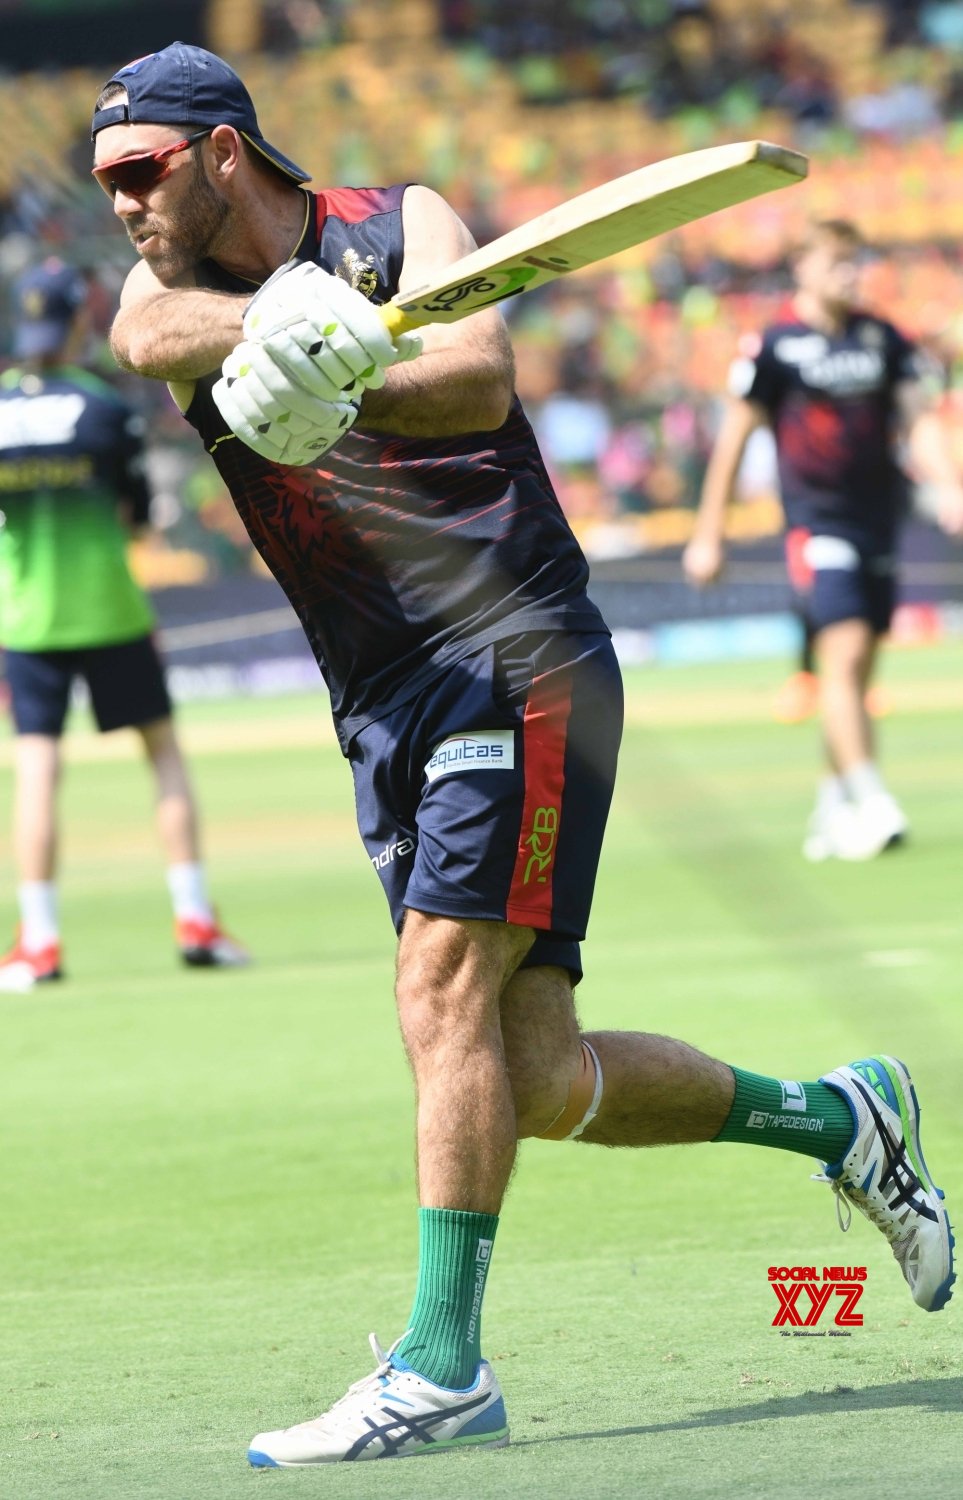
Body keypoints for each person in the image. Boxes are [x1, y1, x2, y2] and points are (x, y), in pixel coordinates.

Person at [90, 46, 955, 1466]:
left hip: (516, 649)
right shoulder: (167, 284)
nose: (121, 201)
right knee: (536, 1077)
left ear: (223, 150)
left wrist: (354, 362)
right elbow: (146, 336)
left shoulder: (402, 222)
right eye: (105, 177)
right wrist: (272, 337)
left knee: (436, 988)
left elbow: (478, 376)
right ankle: (838, 1119)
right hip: (376, 695)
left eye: (143, 171)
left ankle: (443, 1369)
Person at [0, 256, 249, 992]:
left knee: (38, 768)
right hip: (111, 609)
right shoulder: (104, 409)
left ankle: (38, 941)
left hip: (27, 619)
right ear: (81, 319)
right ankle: (195, 918)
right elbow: (137, 517)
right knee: (163, 756)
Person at [684, 219, 963, 860]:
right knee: (843, 652)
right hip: (817, 522)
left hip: (880, 518)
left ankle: (831, 808)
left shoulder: (880, 336)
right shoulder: (776, 346)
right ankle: (871, 796)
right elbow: (734, 440)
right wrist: (709, 534)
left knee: (862, 665)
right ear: (803, 268)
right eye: (837, 262)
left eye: (855, 262)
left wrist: (947, 482)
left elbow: (919, 417)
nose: (851, 273)